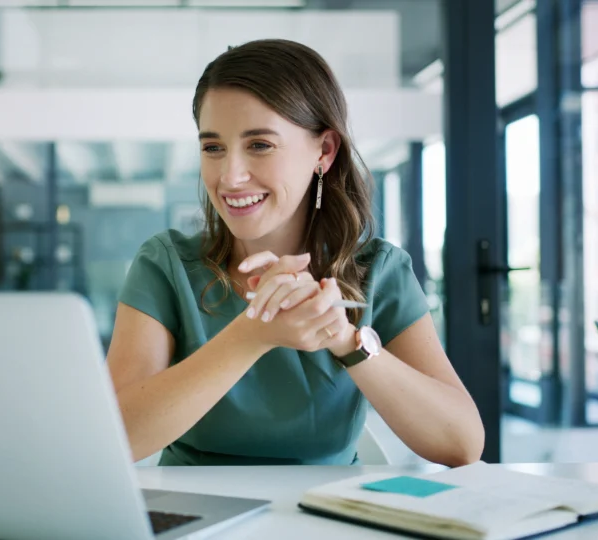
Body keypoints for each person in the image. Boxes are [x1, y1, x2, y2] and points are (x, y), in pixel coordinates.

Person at [106, 39, 484, 467]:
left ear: (324, 151)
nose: (230, 176)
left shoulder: (379, 270)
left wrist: (344, 339)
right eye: (213, 148)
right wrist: (251, 335)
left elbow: (462, 444)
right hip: (195, 522)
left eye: (260, 145)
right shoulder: (166, 264)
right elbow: (116, 439)